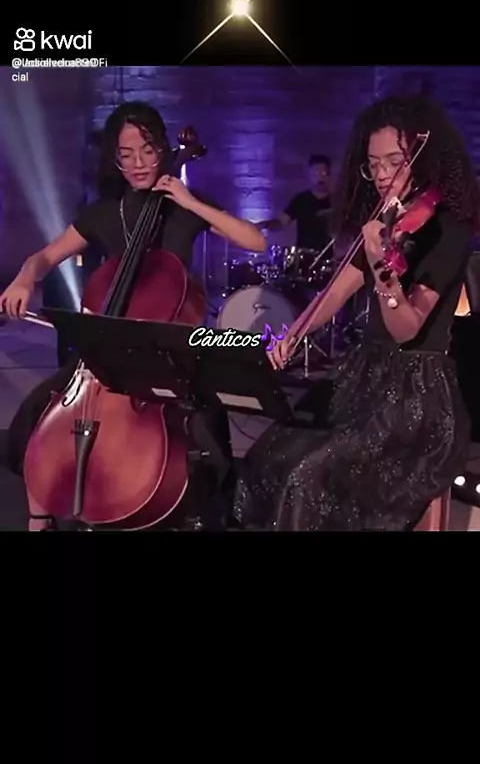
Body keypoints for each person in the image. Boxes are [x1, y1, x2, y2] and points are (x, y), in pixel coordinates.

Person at [0, 100, 266, 531]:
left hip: (169, 351)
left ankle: (200, 513)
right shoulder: (105, 214)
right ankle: (40, 517)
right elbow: (43, 257)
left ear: (162, 149)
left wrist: (190, 201)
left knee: (206, 428)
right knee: (38, 412)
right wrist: (23, 279)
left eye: (147, 150)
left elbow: (255, 241)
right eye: (127, 155)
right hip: (109, 355)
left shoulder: (185, 206)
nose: (139, 163)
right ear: (115, 160)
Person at [234, 94, 478, 531]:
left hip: (417, 396)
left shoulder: (448, 227)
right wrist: (296, 332)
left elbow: (406, 329)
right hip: (366, 379)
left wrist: (384, 272)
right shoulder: (387, 220)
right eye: (374, 165)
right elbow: (337, 290)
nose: (382, 175)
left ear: (423, 158)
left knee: (310, 478)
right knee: (267, 455)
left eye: (394, 163)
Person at [257, 154, 333, 253]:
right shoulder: (301, 200)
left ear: (329, 175)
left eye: (323, 173)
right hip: (305, 255)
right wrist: (264, 225)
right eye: (315, 173)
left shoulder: (337, 201)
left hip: (331, 257)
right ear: (309, 175)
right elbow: (281, 222)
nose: (319, 178)